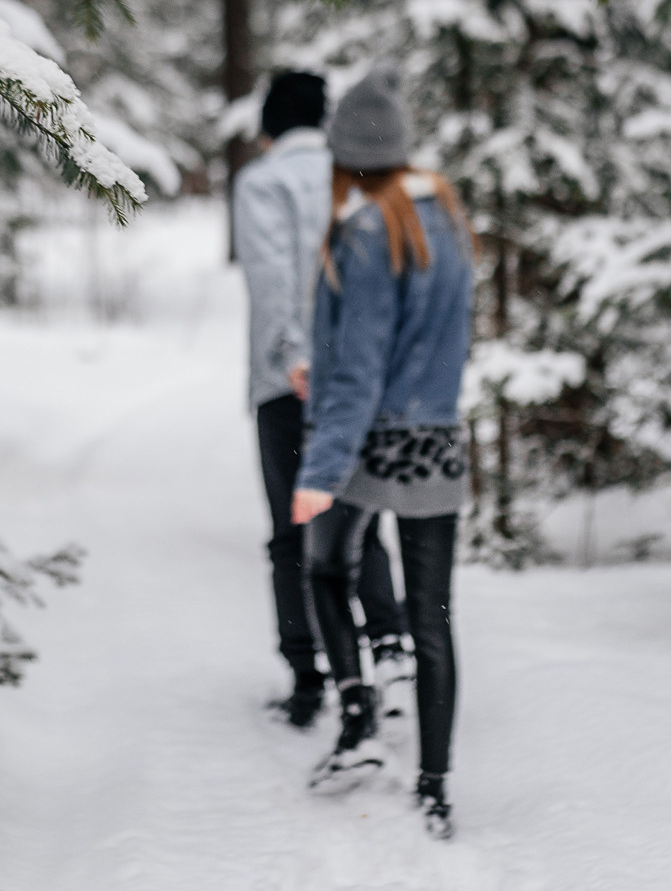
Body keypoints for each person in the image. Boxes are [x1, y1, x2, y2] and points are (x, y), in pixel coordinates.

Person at [292, 64, 475, 838]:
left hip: (370, 446)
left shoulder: (367, 233)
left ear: (347, 157)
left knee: (325, 568)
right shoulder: (449, 224)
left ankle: (359, 719)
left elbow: (363, 372)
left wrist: (321, 472)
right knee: (434, 622)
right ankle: (434, 790)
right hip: (437, 444)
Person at [233, 69, 410, 729]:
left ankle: (309, 675)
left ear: (268, 125)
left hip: (290, 382)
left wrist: (289, 355)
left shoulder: (264, 182)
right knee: (359, 516)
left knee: (293, 529)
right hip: (360, 377)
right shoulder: (351, 173)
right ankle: (388, 649)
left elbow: (273, 274)